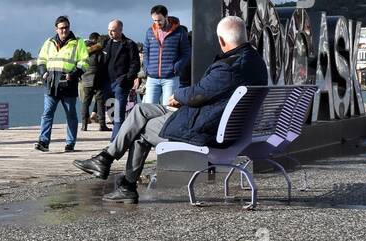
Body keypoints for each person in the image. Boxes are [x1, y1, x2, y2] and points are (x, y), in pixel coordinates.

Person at [72, 15, 268, 203]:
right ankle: (105, 159)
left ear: (222, 40)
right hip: (218, 122)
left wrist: (178, 96)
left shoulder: (229, 67)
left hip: (205, 130)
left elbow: (198, 94)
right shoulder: (255, 62)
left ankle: (125, 185)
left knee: (141, 130)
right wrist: (185, 98)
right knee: (141, 110)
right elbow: (207, 93)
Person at [34, 16, 90, 152]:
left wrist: (74, 74)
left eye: (66, 27)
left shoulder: (78, 42)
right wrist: (43, 73)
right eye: (61, 28)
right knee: (47, 113)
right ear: (56, 29)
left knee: (71, 115)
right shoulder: (49, 42)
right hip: (51, 83)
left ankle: (70, 143)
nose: (64, 30)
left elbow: (84, 62)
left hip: (68, 82)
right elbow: (41, 60)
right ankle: (43, 142)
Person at [139, 5, 191, 106]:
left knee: (168, 108)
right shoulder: (149, 31)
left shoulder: (179, 31)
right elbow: (146, 51)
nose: (157, 23)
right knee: (149, 108)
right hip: (152, 78)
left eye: (159, 20)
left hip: (170, 78)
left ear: (166, 16)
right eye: (154, 20)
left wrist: (176, 67)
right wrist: (147, 68)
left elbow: (186, 52)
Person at [101, 20, 141, 141]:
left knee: (118, 113)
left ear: (120, 30)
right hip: (107, 83)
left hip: (121, 83)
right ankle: (122, 134)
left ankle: (114, 142)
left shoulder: (129, 44)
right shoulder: (106, 43)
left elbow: (135, 64)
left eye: (113, 30)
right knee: (111, 112)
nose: (110, 33)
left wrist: (127, 78)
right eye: (109, 30)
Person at [79, 32, 108, 132]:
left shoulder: (83, 49)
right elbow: (103, 64)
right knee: (100, 102)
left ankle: (84, 125)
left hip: (86, 78)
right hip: (98, 77)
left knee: (86, 102)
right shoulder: (99, 50)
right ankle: (102, 125)